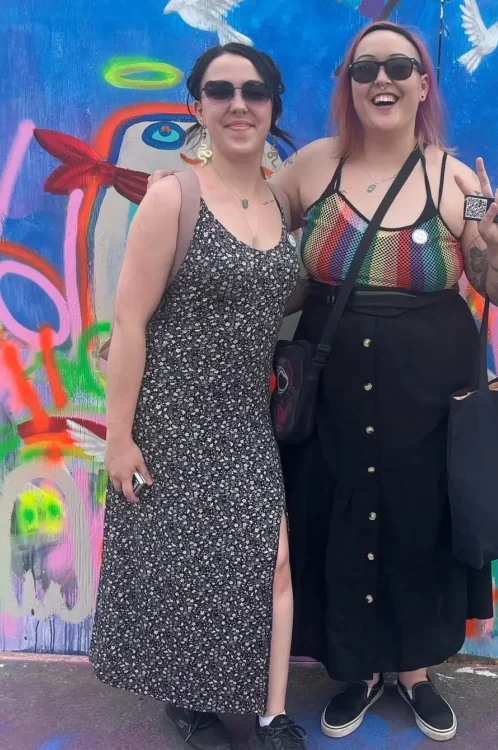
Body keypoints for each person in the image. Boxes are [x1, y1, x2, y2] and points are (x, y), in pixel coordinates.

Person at [151, 21, 498, 742]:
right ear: (348, 87)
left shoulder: (458, 181)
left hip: (432, 397)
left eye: (399, 67)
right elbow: (244, 229)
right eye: (365, 69)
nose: (382, 80)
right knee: (341, 518)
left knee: (422, 522)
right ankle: (355, 672)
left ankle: (416, 672)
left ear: (423, 85)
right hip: (329, 389)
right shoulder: (311, 169)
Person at [91, 43, 307, 750]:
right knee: (187, 565)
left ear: (274, 108)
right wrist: (119, 438)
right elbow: (130, 320)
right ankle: (190, 702)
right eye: (221, 91)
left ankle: (273, 716)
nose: (238, 104)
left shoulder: (279, 205)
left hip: (244, 418)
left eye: (254, 91)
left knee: (269, 561)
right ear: (198, 107)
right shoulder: (172, 197)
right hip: (173, 417)